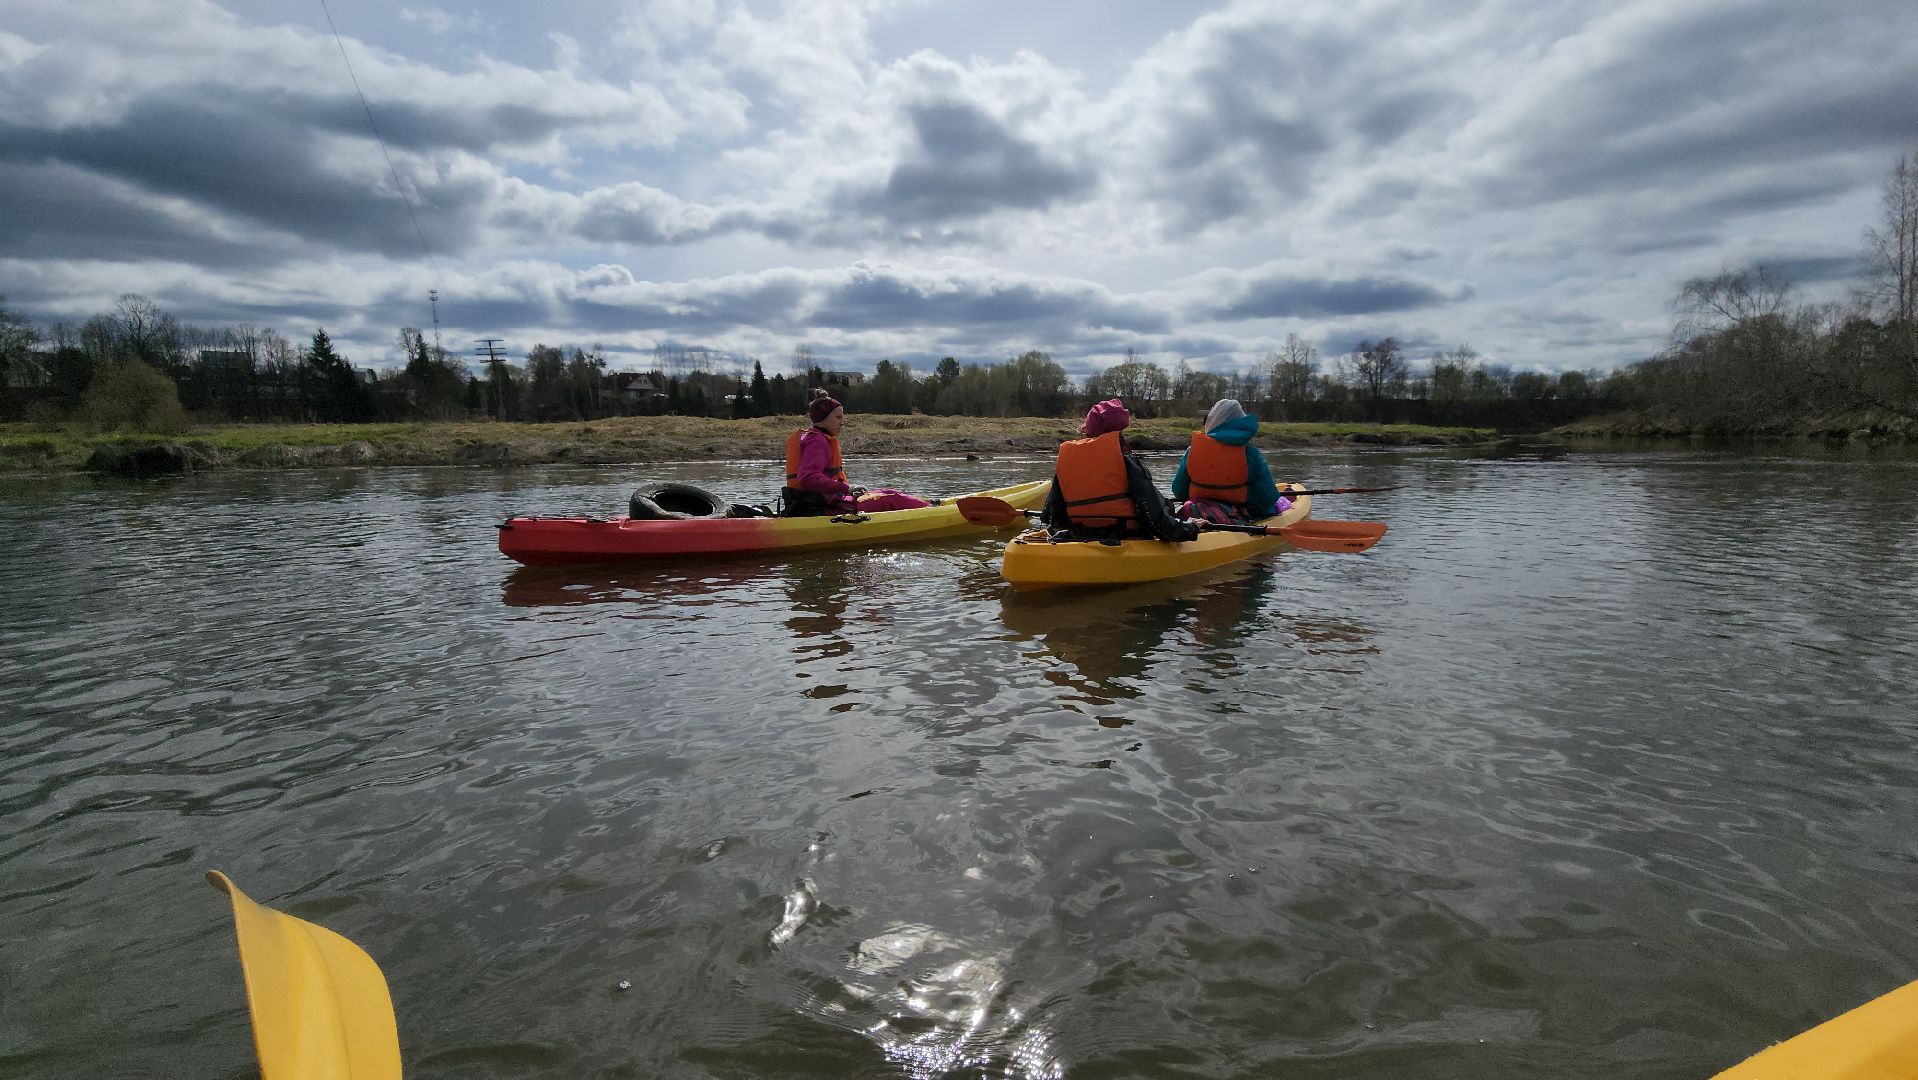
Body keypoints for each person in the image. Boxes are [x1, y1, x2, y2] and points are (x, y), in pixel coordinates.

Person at [1039, 398, 1200, 542]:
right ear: (1118, 432)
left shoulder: (1069, 460)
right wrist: (1190, 528)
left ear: (1088, 430)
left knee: (1165, 505)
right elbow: (1158, 523)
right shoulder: (1127, 462)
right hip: (1125, 537)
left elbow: (1051, 517)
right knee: (1166, 506)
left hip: (1081, 535)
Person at [781, 389, 931, 516]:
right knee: (890, 499)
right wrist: (847, 488)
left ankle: (928, 504)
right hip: (826, 506)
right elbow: (808, 478)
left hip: (829, 501)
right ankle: (931, 512)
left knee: (888, 491)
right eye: (838, 417)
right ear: (823, 418)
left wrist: (846, 490)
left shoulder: (817, 438)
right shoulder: (817, 441)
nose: (842, 422)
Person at [1171, 398, 1292, 524]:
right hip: (1235, 518)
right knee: (1274, 506)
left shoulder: (1192, 452)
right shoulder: (1250, 454)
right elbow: (1268, 497)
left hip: (1196, 513)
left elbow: (1179, 491)